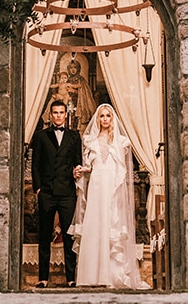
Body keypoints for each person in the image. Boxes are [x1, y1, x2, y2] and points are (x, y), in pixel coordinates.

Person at [69, 104, 148, 289]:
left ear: (112, 119)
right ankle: (91, 276)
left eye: (108, 116)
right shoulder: (91, 140)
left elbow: (121, 169)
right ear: (98, 119)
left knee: (110, 224)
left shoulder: (120, 142)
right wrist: (83, 169)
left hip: (111, 187)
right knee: (94, 225)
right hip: (96, 186)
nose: (105, 119)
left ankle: (109, 275)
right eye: (102, 116)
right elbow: (92, 165)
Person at [31, 100, 82, 288]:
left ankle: (71, 278)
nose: (58, 115)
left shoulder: (74, 136)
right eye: (55, 112)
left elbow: (78, 161)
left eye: (61, 112)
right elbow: (35, 165)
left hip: (67, 192)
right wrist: (38, 188)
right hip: (47, 192)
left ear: (65, 115)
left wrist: (77, 172)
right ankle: (43, 278)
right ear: (50, 115)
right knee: (44, 236)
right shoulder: (41, 136)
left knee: (69, 237)